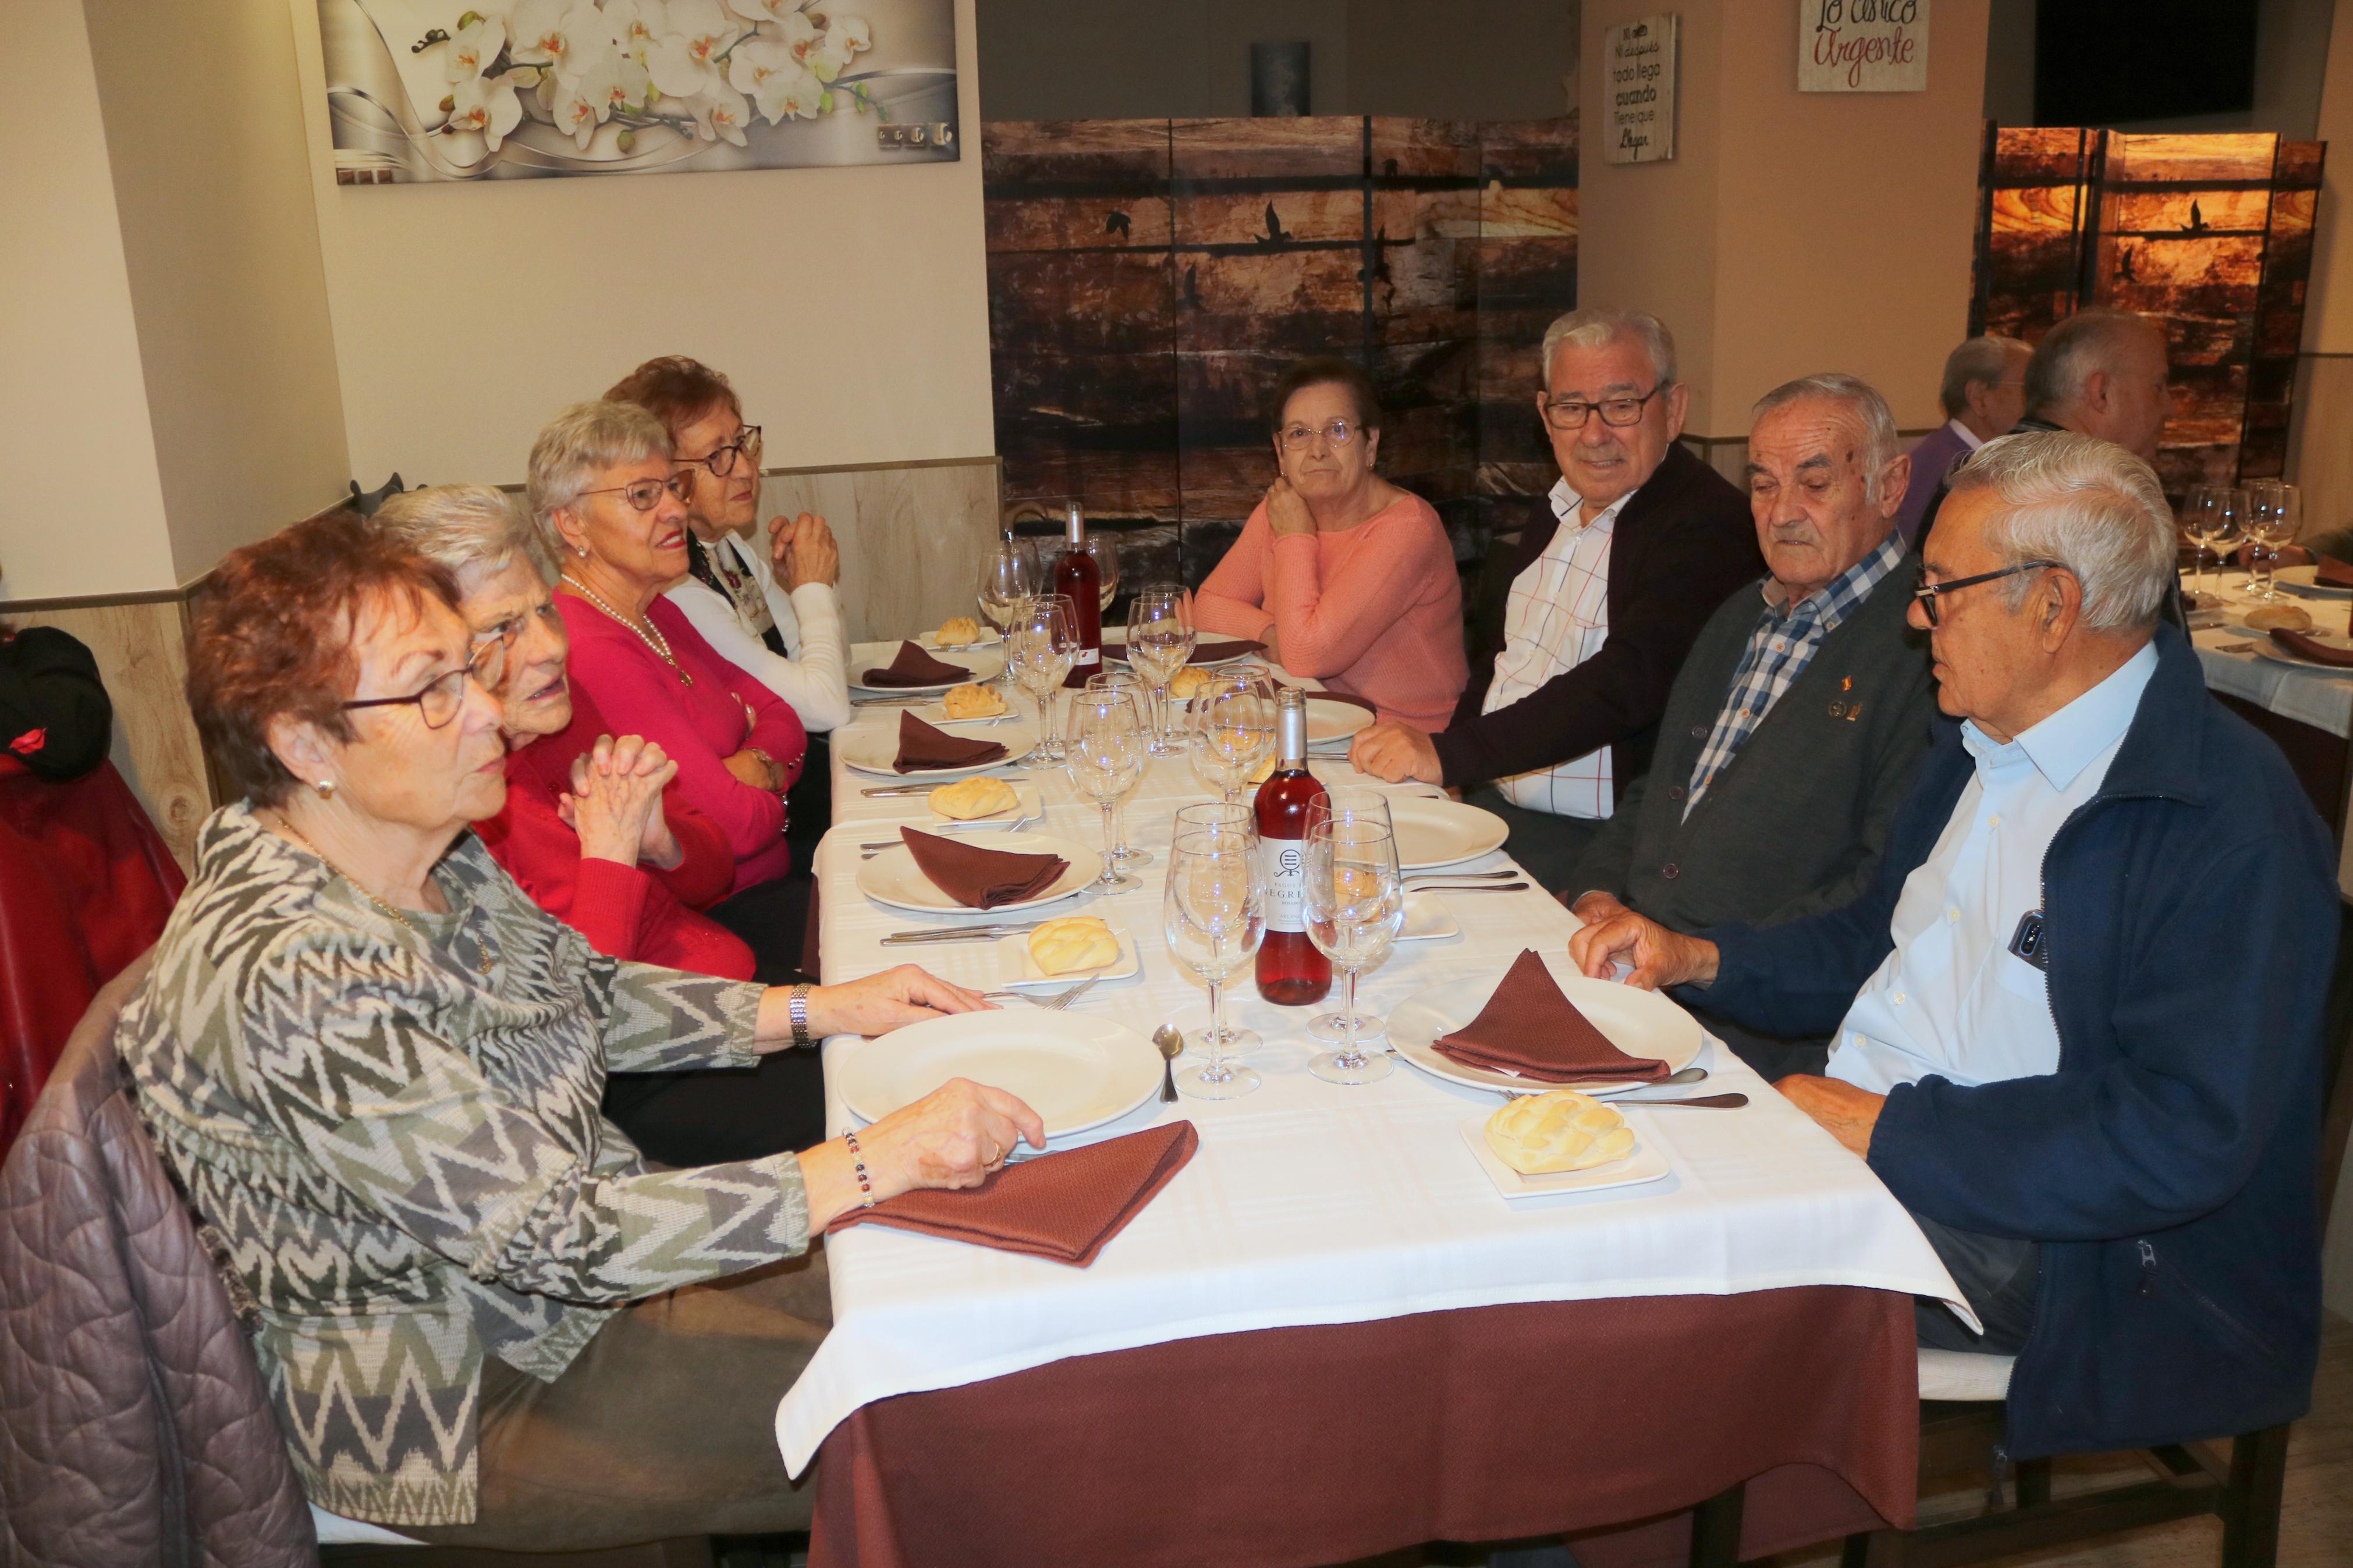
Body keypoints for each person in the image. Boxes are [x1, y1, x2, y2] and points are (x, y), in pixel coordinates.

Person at [123, 511, 1043, 1547]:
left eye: (470, 667)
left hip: (572, 1290)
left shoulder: (417, 845)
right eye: (434, 689)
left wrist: (819, 1008)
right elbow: (547, 1234)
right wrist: (872, 1159)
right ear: (302, 744)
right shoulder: (291, 968)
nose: (486, 709)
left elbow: (590, 993)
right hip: (459, 1395)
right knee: (938, 1407)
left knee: (945, 1302)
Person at [1571, 431, 2335, 1457]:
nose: (1915, 615)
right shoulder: (1978, 744)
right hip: (1894, 1135)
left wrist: (1885, 1135)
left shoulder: (2220, 818)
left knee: (1629, 1272)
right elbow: (1869, 942)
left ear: (2052, 606)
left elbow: (2178, 1136)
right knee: (1577, 1157)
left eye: (1941, 588)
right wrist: (1695, 956)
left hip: (2067, 1246)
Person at [376, 484, 841, 1165]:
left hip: (721, 988)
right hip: (641, 1072)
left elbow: (712, 872)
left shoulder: (564, 710)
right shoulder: (444, 821)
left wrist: (665, 842)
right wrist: (613, 857)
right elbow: (569, 1032)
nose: (548, 647)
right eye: (504, 629)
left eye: (543, 611)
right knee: (888, 1090)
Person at [1566, 374, 1940, 1079]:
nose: (1782, 512)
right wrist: (1594, 896)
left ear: (1890, 487)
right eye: (1763, 485)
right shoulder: (1742, 612)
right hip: (1638, 977)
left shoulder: (1925, 648)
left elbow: (1874, 895)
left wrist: (1697, 956)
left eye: (1815, 483)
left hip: (1762, 1025)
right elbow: (1659, 790)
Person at [1348, 307, 1763, 889]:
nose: (1594, 435)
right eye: (1572, 408)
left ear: (1672, 410)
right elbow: (1503, 659)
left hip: (1602, 845)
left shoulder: (1704, 525)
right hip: (1497, 803)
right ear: (1545, 417)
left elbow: (1625, 683)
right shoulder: (1558, 505)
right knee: (1338, 863)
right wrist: (1452, 771)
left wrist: (1451, 754)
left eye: (1620, 406)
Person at [532, 399, 812, 975]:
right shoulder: (589, 647)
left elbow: (782, 713)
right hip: (721, 919)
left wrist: (758, 772)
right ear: (571, 523)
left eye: (673, 488)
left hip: (769, 881)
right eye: (643, 496)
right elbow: (731, 830)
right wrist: (770, 772)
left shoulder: (656, 612)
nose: (675, 510)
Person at [1191, 356, 1467, 729]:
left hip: (1401, 738)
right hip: (1312, 718)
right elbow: (1209, 605)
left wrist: (1295, 537)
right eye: (1300, 434)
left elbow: (1307, 656)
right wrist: (1274, 636)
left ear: (1370, 445)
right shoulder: (1283, 506)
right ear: (1280, 451)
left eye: (1337, 430)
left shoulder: (1406, 529)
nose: (1317, 450)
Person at [1893, 335, 2029, 547]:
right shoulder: (1952, 470)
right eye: (2027, 388)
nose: (2037, 402)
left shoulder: (1944, 451)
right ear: (1979, 397)